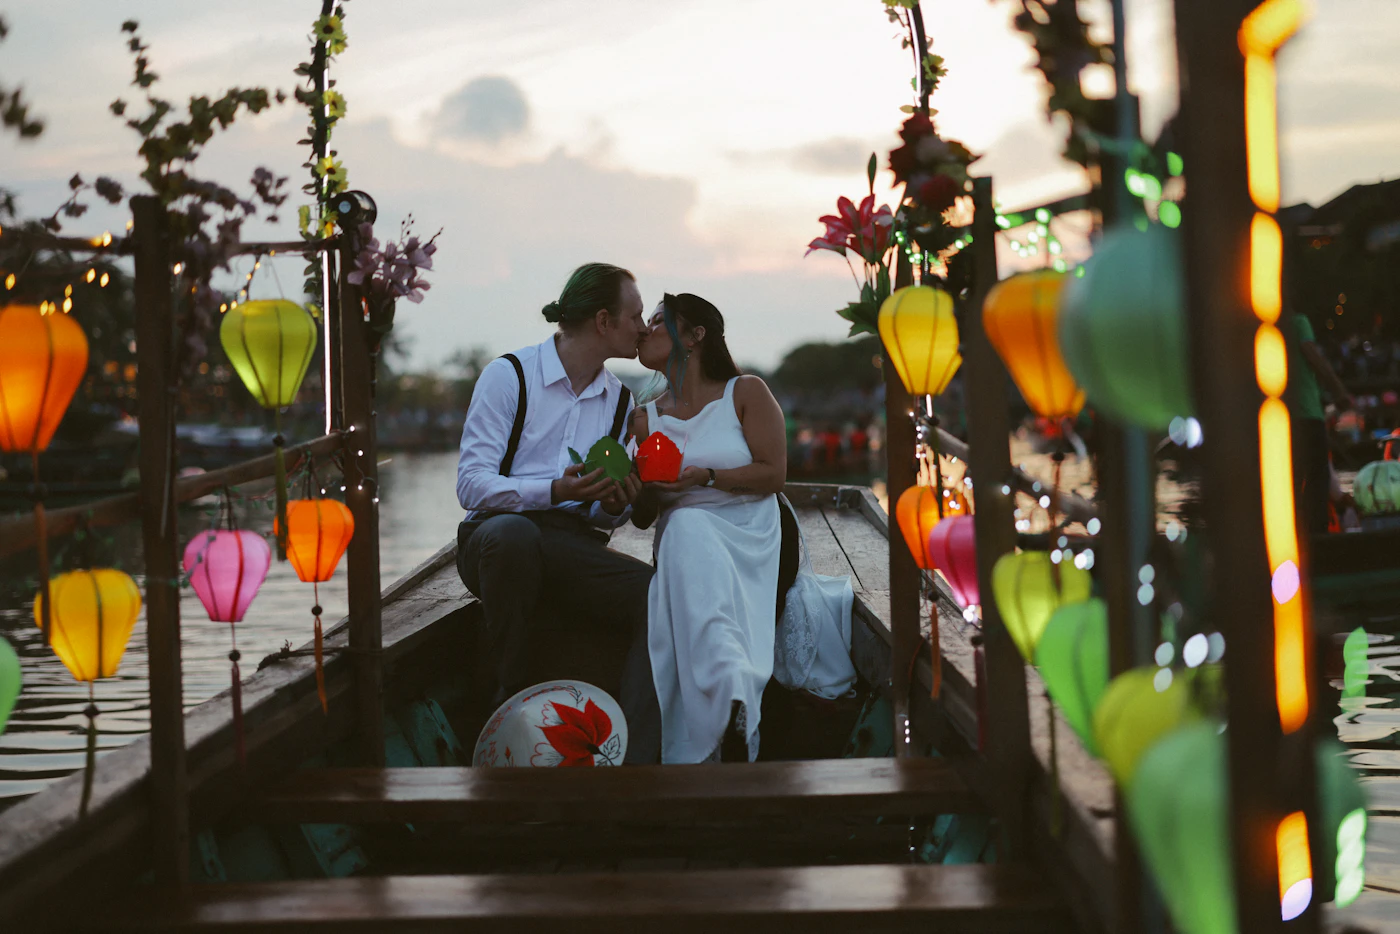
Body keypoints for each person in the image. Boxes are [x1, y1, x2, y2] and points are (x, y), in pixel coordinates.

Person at [455, 262, 659, 764]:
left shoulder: (620, 400)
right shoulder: (509, 375)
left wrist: (611, 505)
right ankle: (507, 700)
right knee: (514, 536)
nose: (643, 327)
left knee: (658, 594)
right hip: (493, 539)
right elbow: (471, 484)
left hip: (569, 545)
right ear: (604, 321)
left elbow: (601, 517)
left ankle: (633, 754)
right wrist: (552, 490)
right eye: (635, 315)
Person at [628, 293, 788, 763]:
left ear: (696, 336)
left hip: (750, 529)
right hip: (685, 541)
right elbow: (642, 516)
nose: (646, 329)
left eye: (660, 321)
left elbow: (774, 475)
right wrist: (647, 491)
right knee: (683, 525)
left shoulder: (745, 392)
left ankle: (726, 700)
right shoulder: (645, 417)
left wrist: (707, 477)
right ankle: (731, 692)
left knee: (688, 525)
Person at [1287, 309, 1353, 539]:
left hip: (1279, 419)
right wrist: (1339, 390)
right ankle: (1317, 537)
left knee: (1291, 479)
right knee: (1317, 476)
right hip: (1306, 414)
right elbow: (1313, 356)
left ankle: (1292, 535)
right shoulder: (1298, 322)